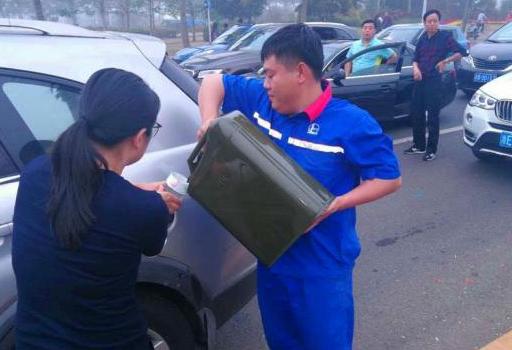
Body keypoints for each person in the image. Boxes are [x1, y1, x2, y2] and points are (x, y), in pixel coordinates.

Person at [197, 24, 401, 350]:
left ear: (301, 73)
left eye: (271, 74)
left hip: (322, 271)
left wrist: (335, 204)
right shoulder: (263, 102)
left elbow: (389, 178)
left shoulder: (351, 123)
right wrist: (209, 123)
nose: (265, 83)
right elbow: (213, 82)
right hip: (272, 261)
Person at [12, 68, 182, 350]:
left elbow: (91, 196)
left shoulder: (34, 173)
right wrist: (156, 204)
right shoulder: (143, 211)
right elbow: (151, 241)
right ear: (139, 137)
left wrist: (136, 191)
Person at [404, 9, 467, 161]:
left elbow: (463, 52)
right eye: (429, 21)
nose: (432, 23)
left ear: (438, 22)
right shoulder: (422, 39)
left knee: (432, 117)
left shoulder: (445, 38)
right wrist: (415, 68)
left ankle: (431, 149)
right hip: (420, 81)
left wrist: (445, 61)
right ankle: (419, 145)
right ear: (424, 23)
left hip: (434, 82)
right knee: (417, 114)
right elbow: (415, 58)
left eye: (435, 21)